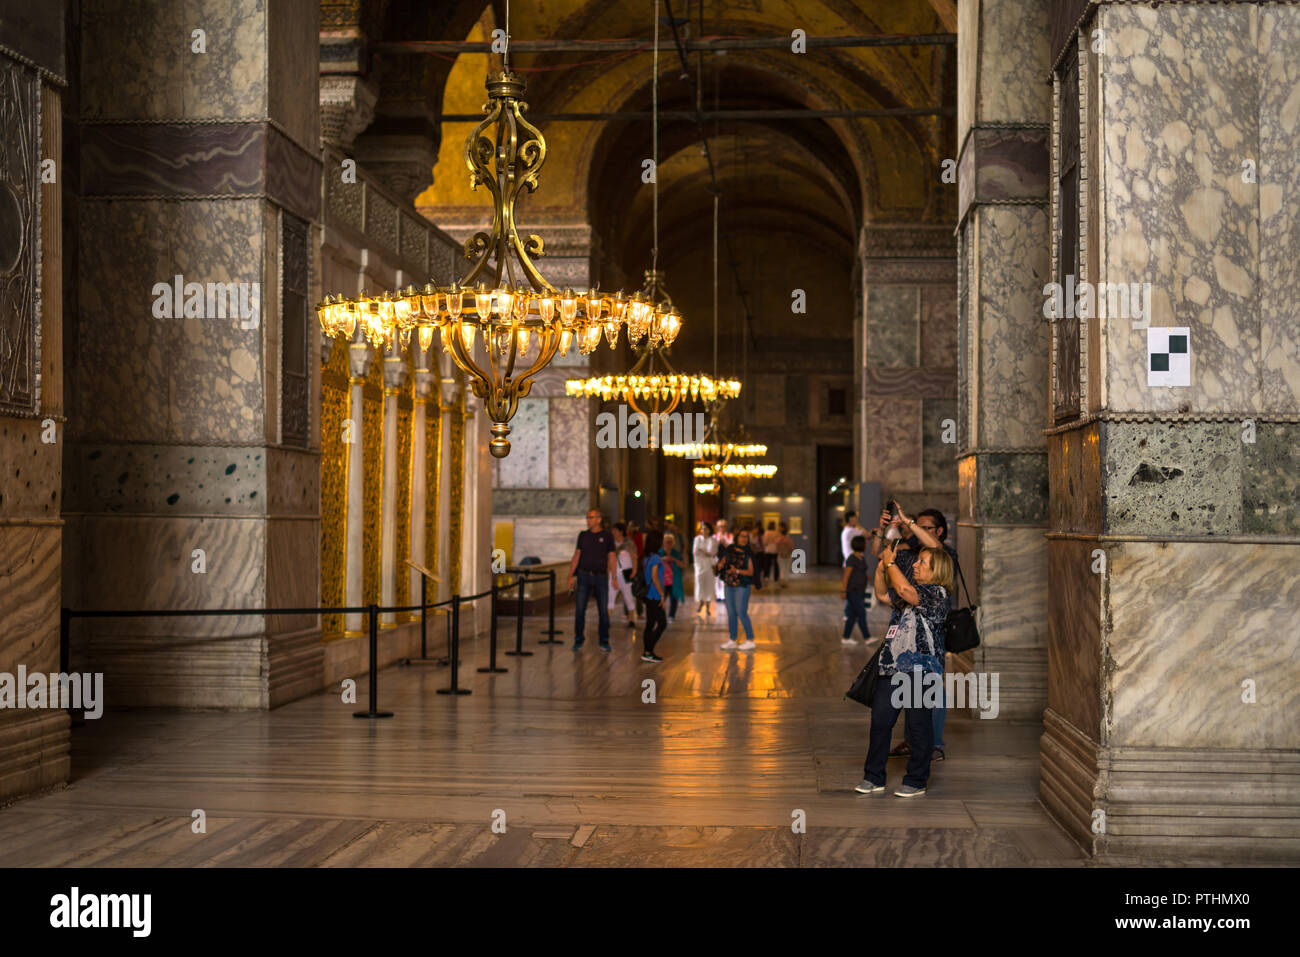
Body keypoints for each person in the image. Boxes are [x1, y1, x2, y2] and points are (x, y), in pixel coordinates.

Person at [855, 541, 953, 797]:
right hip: (892, 666)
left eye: (922, 563)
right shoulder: (912, 589)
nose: (916, 566)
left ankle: (916, 780)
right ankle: (873, 776)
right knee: (880, 721)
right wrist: (880, 570)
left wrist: (890, 562)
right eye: (918, 561)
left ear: (937, 570)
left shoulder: (938, 594)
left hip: (921, 669)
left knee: (918, 726)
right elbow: (883, 595)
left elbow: (904, 590)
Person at [873, 503, 958, 761]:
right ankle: (915, 745)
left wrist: (907, 522)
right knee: (900, 707)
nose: (917, 531)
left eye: (925, 528)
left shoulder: (942, 556)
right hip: (903, 638)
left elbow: (934, 548)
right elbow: (881, 556)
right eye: (916, 526)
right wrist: (884, 527)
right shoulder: (911, 553)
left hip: (928, 640)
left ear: (940, 530)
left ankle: (932, 746)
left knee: (929, 697)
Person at [568, 508, 617, 652]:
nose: (588, 520)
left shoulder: (607, 537)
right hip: (584, 576)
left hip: (601, 577)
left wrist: (614, 577)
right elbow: (577, 555)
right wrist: (571, 575)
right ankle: (578, 638)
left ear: (599, 519)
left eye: (591, 517)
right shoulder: (583, 535)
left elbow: (612, 557)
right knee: (580, 609)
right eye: (587, 517)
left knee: (603, 610)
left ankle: (604, 640)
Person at [717, 528, 757, 651]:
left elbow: (751, 572)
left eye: (746, 536)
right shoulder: (730, 549)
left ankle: (750, 639)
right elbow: (722, 562)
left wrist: (737, 571)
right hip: (729, 584)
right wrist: (721, 565)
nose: (744, 538)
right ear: (737, 537)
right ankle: (732, 639)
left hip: (742, 585)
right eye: (741, 536)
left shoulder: (749, 552)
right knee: (731, 612)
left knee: (741, 612)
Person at [639, 530, 668, 663]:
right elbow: (655, 577)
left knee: (650, 624)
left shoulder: (647, 557)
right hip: (655, 595)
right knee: (662, 623)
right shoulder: (655, 558)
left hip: (648, 595)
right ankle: (648, 651)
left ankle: (647, 652)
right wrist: (662, 594)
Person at [840, 534, 870, 643]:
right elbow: (846, 575)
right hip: (853, 591)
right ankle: (867, 637)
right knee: (861, 613)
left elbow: (860, 572)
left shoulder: (861, 557)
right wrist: (843, 590)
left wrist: (866, 578)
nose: (867, 545)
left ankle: (845, 637)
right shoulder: (851, 559)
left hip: (860, 590)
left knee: (852, 616)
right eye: (865, 543)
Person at [607, 521, 638, 629]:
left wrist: (634, 570)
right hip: (613, 573)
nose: (613, 532)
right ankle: (607, 619)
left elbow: (634, 556)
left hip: (626, 573)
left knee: (628, 596)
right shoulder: (610, 543)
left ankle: (632, 619)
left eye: (615, 530)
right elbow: (608, 559)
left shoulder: (628, 542)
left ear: (621, 531)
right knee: (610, 596)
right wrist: (608, 572)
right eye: (613, 530)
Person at [692, 521, 717, 621]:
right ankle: (701, 603)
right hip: (699, 565)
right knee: (699, 583)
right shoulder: (697, 539)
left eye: (706, 529)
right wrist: (705, 552)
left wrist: (703, 551)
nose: (704, 530)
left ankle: (708, 605)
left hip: (709, 565)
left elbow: (712, 552)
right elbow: (695, 551)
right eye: (702, 529)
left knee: (709, 585)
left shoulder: (713, 540)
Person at [660, 532, 686, 623]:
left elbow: (682, 565)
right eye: (667, 541)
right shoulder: (660, 553)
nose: (668, 544)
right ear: (663, 542)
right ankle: (661, 615)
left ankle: (671, 615)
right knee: (661, 598)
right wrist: (662, 559)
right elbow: (654, 564)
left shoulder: (676, 553)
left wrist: (673, 559)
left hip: (673, 580)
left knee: (674, 598)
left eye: (670, 542)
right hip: (662, 580)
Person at [713, 519, 732, 602]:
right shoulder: (715, 536)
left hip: (726, 558)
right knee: (716, 577)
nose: (722, 528)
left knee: (725, 577)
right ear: (718, 528)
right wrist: (718, 542)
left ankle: (724, 595)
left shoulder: (729, 536)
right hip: (717, 559)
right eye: (720, 527)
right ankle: (718, 595)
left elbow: (732, 547)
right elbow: (712, 548)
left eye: (724, 526)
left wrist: (724, 542)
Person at [775, 523, 795, 589]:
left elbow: (777, 548)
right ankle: (786, 582)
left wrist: (779, 553)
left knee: (781, 569)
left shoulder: (778, 540)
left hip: (780, 556)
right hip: (788, 556)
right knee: (787, 569)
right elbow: (792, 548)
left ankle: (782, 581)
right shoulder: (789, 540)